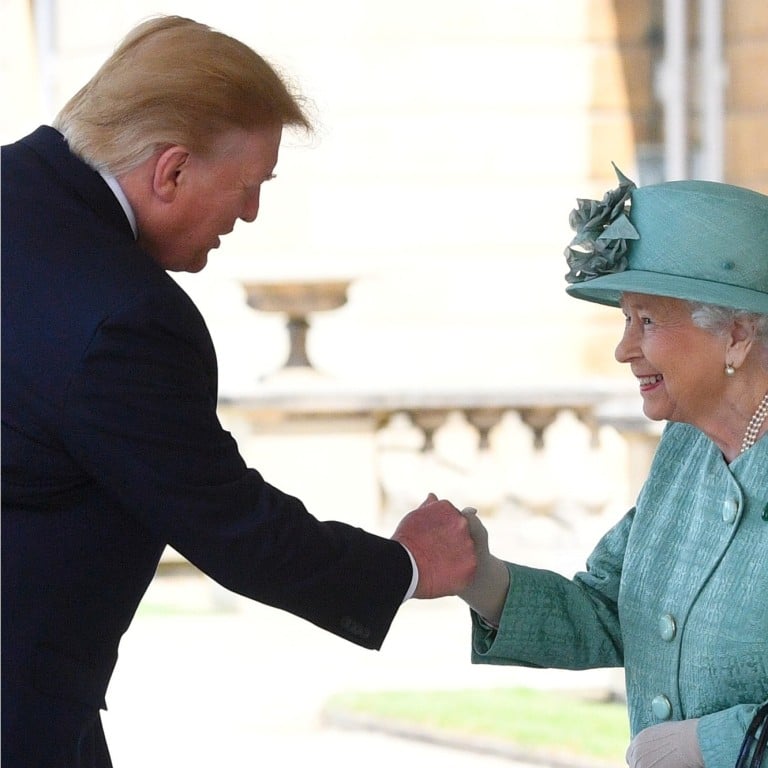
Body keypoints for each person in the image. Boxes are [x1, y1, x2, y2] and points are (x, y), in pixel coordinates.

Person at [0, 16, 476, 768]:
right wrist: (406, 566)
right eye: (249, 188)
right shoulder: (126, 317)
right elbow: (230, 525)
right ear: (172, 171)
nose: (248, 215)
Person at [458, 166, 768, 768]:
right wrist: (480, 577)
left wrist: (717, 745)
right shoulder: (686, 450)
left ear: (734, 334)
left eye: (647, 321)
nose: (624, 348)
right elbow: (608, 608)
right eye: (626, 319)